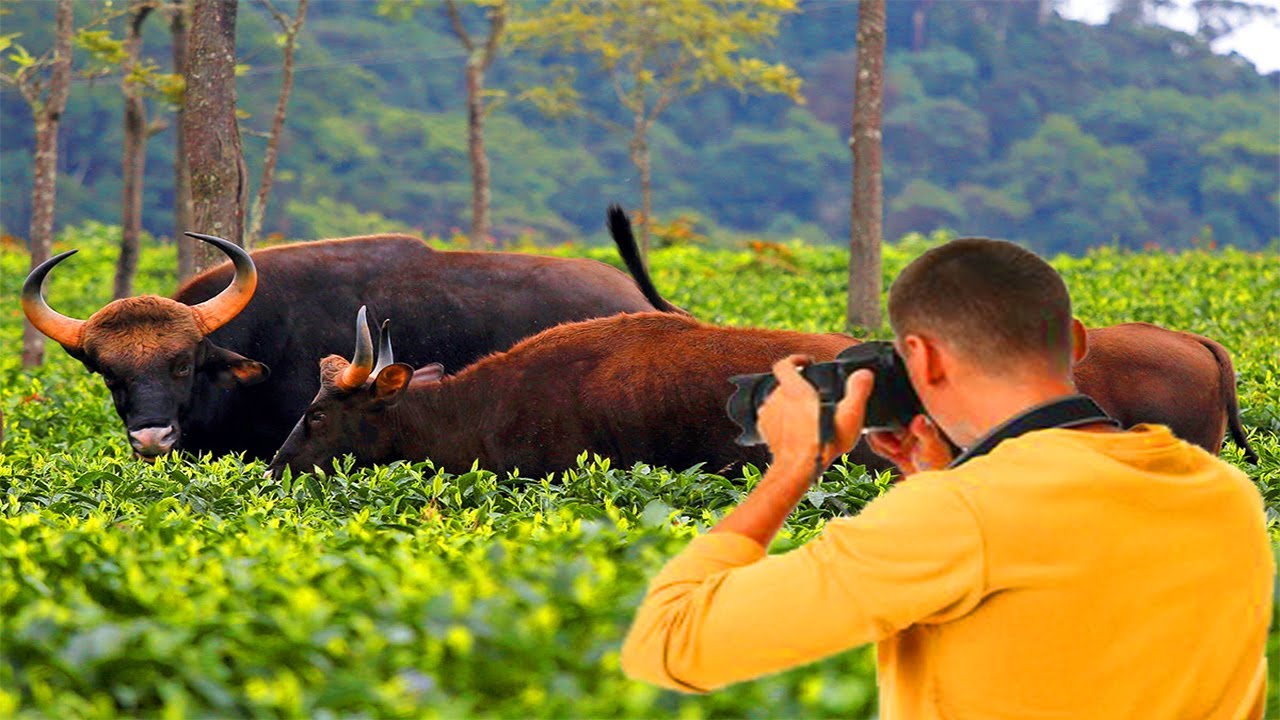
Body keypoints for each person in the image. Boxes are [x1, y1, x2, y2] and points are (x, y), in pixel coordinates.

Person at [620, 238, 1273, 719]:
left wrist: (793, 463)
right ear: (1076, 343)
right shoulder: (1223, 495)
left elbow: (669, 643)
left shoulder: (957, 518)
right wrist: (940, 483)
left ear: (921, 358)